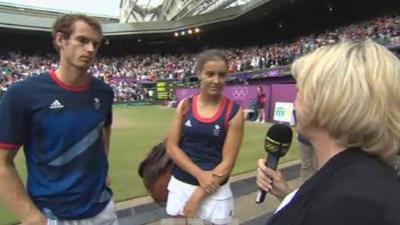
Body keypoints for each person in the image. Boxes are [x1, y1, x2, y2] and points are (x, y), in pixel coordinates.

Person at [256, 40, 400, 225]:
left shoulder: (349, 204)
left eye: (300, 91)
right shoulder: (367, 181)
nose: (295, 103)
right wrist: (289, 196)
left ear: (327, 101)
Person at [0, 14, 118, 225]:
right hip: (52, 216)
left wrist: (104, 169)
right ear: (60, 40)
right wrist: (30, 216)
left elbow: (104, 130)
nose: (91, 49)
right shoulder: (23, 94)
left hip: (103, 211)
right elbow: (2, 161)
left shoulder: (104, 92)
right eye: (82, 40)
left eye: (95, 43)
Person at [166, 49, 244, 225]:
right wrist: (200, 174)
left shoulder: (234, 112)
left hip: (214, 191)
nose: (216, 80)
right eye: (210, 74)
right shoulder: (185, 105)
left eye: (222, 75)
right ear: (199, 74)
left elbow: (228, 163)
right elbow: (172, 147)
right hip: (181, 186)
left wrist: (198, 196)